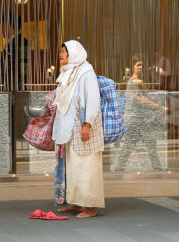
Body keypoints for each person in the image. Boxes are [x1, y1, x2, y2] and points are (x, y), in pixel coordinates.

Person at [52, 40, 105, 218]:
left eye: (64, 51)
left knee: (86, 166)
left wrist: (87, 124)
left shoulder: (86, 72)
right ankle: (75, 202)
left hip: (83, 127)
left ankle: (90, 207)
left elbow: (93, 100)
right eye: (60, 51)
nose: (61, 54)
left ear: (73, 53)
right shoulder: (68, 72)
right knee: (73, 167)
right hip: (70, 129)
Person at [117, 54, 163, 171]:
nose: (141, 67)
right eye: (138, 65)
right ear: (133, 67)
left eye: (142, 65)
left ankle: (119, 168)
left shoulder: (138, 82)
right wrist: (158, 107)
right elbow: (141, 99)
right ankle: (157, 169)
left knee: (145, 146)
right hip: (134, 121)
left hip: (139, 120)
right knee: (133, 147)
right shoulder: (133, 82)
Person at [2, 12, 29, 91]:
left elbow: (23, 68)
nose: (2, 30)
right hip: (9, 86)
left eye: (3, 26)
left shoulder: (22, 42)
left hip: (16, 88)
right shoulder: (9, 42)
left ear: (9, 26)